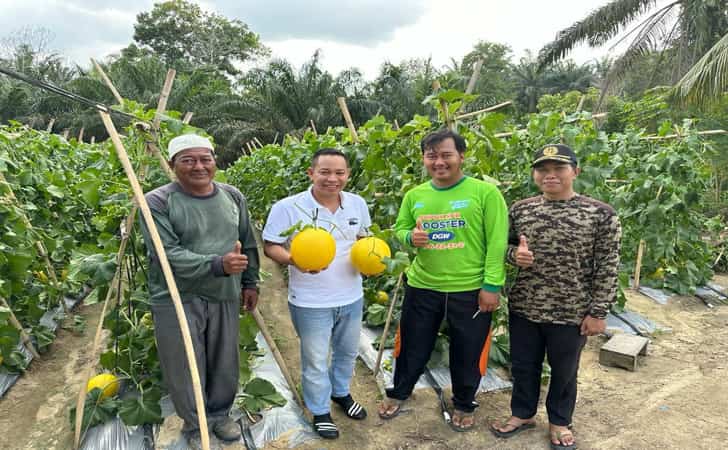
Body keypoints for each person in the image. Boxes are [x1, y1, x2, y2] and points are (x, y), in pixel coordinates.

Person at [490, 144, 621, 450]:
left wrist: (598, 312)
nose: (550, 175)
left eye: (558, 169)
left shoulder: (600, 214)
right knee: (523, 365)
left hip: (571, 310)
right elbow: (501, 248)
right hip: (525, 305)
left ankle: (559, 420)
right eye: (543, 170)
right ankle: (522, 414)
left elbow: (608, 265)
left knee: (564, 370)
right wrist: (513, 255)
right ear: (535, 175)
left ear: (575, 172)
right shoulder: (521, 210)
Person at [377, 129, 509, 432]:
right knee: (412, 344)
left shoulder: (484, 193)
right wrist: (411, 237)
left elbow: (497, 242)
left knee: (469, 349)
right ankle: (399, 392)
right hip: (423, 285)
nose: (439, 161)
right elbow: (400, 229)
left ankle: (464, 402)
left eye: (446, 154)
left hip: (470, 289)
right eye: (431, 155)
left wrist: (491, 286)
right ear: (424, 158)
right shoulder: (415, 195)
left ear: (461, 156)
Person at [140, 134, 260, 449]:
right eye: (188, 160)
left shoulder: (232, 196)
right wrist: (218, 264)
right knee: (183, 364)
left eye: (205, 159)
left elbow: (247, 241)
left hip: (224, 292)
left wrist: (250, 281)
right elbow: (167, 254)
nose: (199, 167)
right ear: (172, 165)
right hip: (176, 297)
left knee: (224, 360)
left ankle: (220, 415)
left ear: (214, 162)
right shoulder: (157, 202)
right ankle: (196, 425)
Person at [262, 148, 371, 439]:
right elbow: (270, 245)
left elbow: (363, 239)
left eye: (339, 172)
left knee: (347, 353)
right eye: (325, 172)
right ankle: (320, 410)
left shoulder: (357, 204)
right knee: (315, 359)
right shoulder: (288, 207)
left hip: (351, 296)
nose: (332, 178)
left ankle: (341, 393)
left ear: (347, 175)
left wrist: (372, 258)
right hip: (310, 301)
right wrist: (292, 260)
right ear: (311, 173)